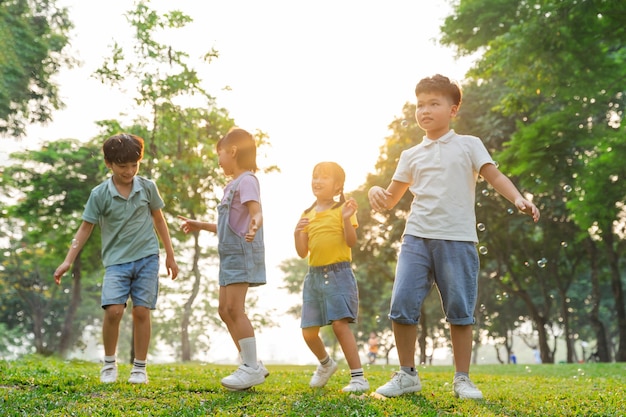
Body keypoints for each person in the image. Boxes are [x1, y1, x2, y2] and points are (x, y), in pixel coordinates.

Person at [368, 74, 540, 399]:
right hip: (416, 237)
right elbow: (389, 201)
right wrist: (377, 190)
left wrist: (518, 198)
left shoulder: (469, 144)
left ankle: (462, 378)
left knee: (460, 310)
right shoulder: (410, 155)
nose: (425, 110)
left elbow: (494, 175)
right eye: (420, 105)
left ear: (453, 109)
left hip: (458, 239)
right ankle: (406, 375)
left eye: (434, 103)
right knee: (402, 304)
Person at [53, 133, 179, 384]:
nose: (130, 170)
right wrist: (68, 261)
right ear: (109, 163)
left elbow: (159, 220)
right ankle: (109, 364)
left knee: (142, 311)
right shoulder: (99, 194)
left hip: (147, 256)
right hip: (116, 262)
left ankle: (139, 368)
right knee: (113, 311)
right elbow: (85, 228)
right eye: (123, 166)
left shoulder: (147, 187)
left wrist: (170, 256)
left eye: (135, 165)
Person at [178, 128, 268, 391]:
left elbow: (256, 212)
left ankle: (250, 367)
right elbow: (227, 224)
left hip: (241, 251)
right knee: (224, 310)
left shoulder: (248, 180)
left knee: (235, 309)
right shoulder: (231, 185)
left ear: (232, 151)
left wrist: (255, 225)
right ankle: (251, 364)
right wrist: (199, 225)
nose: (218, 160)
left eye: (219, 153)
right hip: (228, 254)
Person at [294, 161, 369, 393]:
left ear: (337, 187)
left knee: (339, 325)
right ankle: (326, 364)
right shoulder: (306, 214)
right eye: (315, 176)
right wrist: (296, 232)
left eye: (324, 177)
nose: (317, 180)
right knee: (308, 331)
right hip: (314, 277)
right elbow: (302, 252)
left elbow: (351, 241)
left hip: (339, 274)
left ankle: (358, 378)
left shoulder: (343, 209)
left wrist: (347, 218)